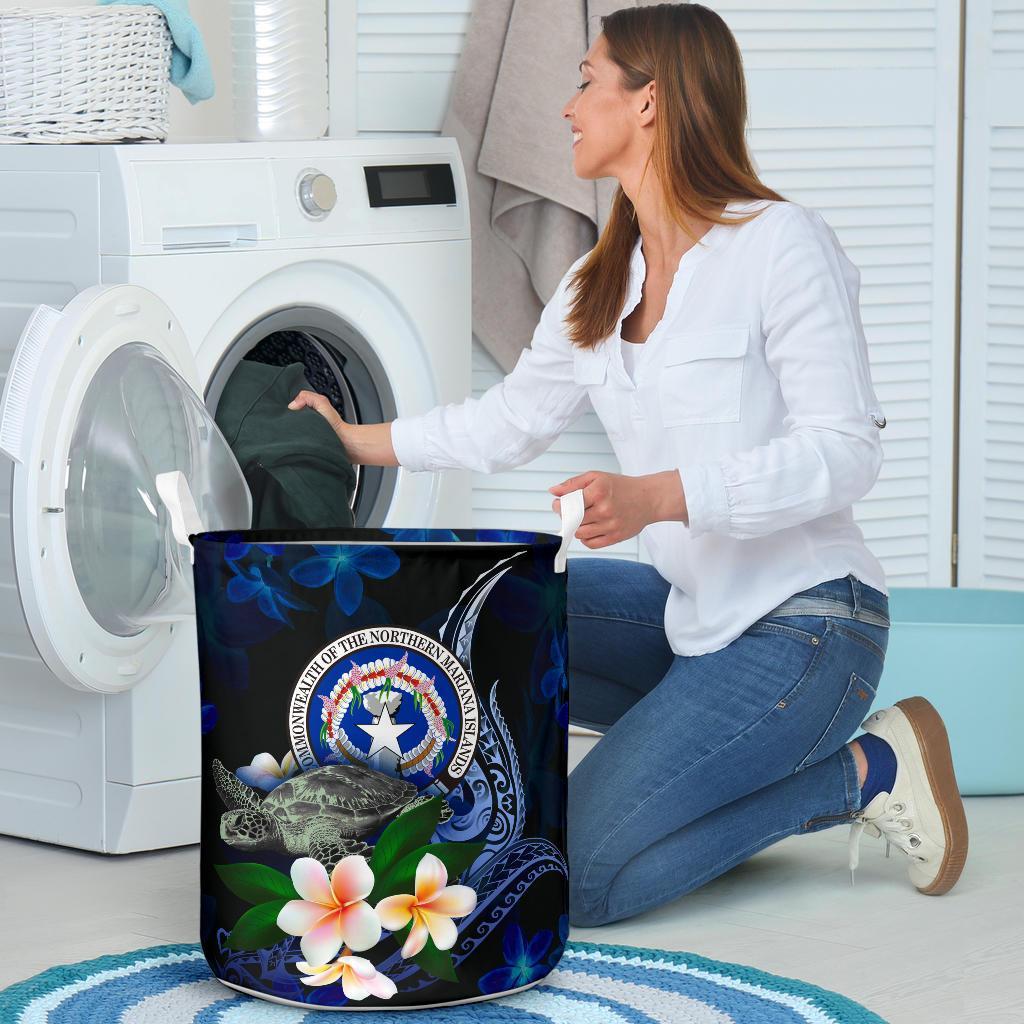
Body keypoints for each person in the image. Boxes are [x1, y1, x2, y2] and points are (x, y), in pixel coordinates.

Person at [287, 2, 968, 928]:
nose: (567, 108)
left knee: (577, 878)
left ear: (648, 102)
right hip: (694, 617)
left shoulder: (779, 243)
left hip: (810, 625)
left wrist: (660, 498)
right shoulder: (597, 282)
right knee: (484, 611)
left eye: (586, 83)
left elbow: (846, 453)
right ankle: (515, 810)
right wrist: (359, 438)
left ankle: (864, 772)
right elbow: (508, 422)